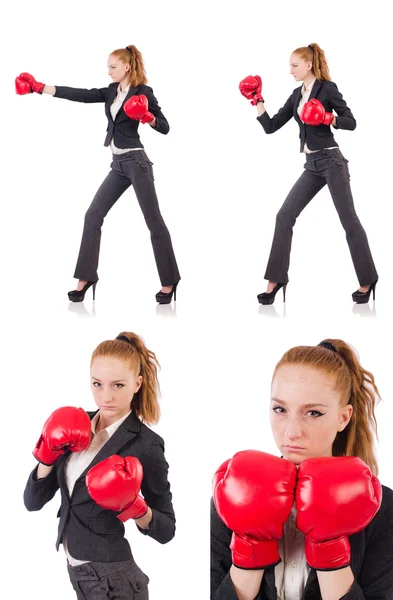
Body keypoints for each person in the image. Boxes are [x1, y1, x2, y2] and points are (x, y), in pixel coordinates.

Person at [211, 339, 393, 600]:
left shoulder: (382, 507)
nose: (292, 431)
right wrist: (250, 546)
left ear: (344, 417)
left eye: (313, 413)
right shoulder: (232, 493)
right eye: (280, 409)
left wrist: (332, 550)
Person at [15, 45, 180, 304]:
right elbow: (82, 94)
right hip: (117, 165)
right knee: (93, 215)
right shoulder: (113, 91)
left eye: (112, 67)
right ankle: (86, 278)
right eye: (108, 67)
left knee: (154, 222)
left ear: (127, 67)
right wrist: (42, 87)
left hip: (137, 162)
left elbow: (166, 127)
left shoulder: (144, 92)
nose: (108, 72)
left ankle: (169, 281)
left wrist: (148, 117)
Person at [24, 331, 175, 600]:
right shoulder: (74, 425)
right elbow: (32, 502)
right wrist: (46, 455)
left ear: (137, 383)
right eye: (97, 384)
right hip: (79, 573)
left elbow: (167, 531)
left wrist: (133, 506)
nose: (106, 396)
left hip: (114, 578)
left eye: (118, 385)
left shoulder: (147, 445)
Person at [239, 43, 378, 305]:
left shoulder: (328, 89)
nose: (290, 70)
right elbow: (270, 126)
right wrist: (257, 100)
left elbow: (351, 121)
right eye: (290, 65)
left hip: (332, 161)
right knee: (284, 216)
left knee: (348, 220)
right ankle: (276, 279)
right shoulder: (295, 96)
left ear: (308, 65)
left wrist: (327, 118)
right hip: (312, 165)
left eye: (294, 65)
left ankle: (368, 279)